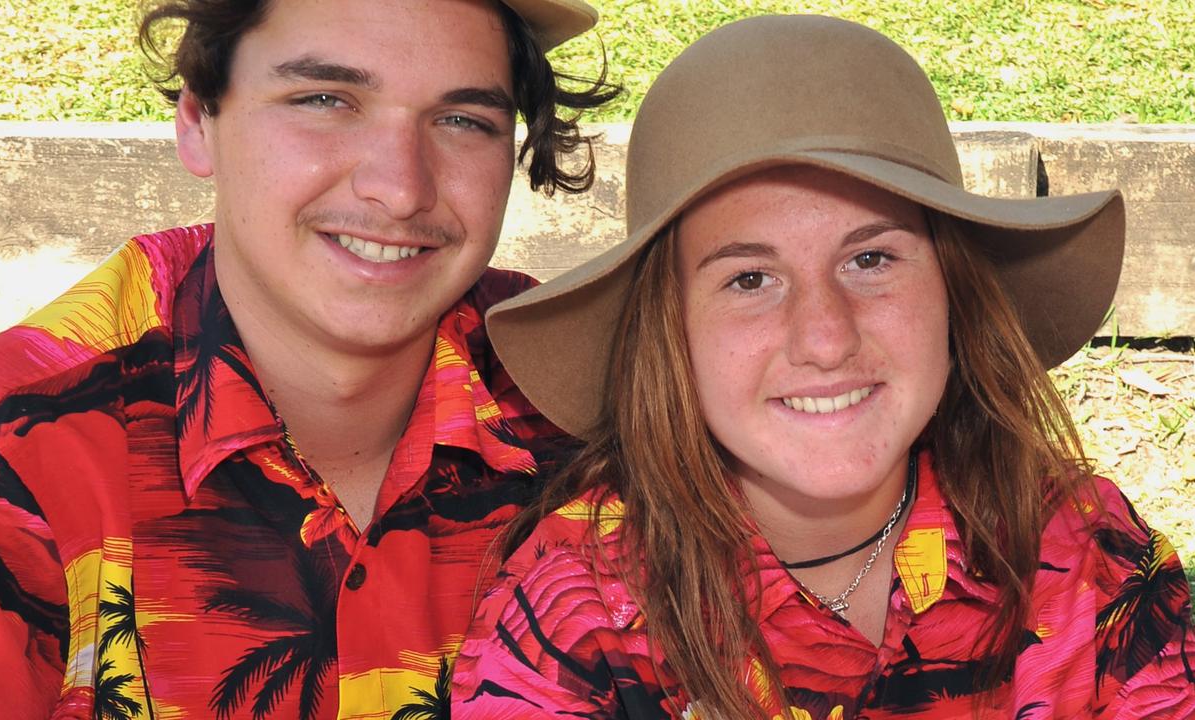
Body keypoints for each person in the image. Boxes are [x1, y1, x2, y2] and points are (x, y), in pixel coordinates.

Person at [451, 14, 1195, 720]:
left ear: (953, 295)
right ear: (668, 332)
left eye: (869, 259)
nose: (824, 339)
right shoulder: (571, 613)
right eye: (749, 279)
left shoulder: (1089, 555)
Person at [0, 0, 617, 717]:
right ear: (196, 123)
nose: (401, 188)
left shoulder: (605, 409)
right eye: (323, 100)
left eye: (463, 120)